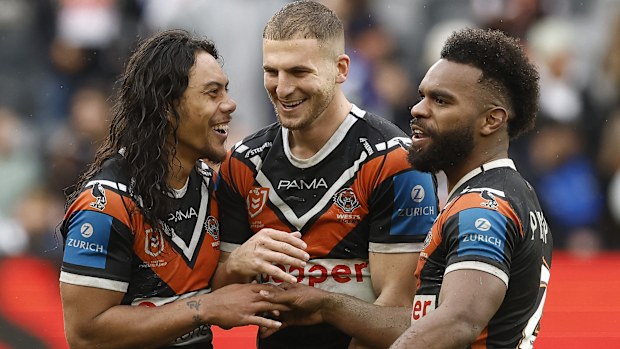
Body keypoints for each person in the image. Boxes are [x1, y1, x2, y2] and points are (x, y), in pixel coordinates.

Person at [264, 27, 554, 349]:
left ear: (491, 120)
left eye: (441, 101)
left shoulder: (482, 207)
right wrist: (327, 304)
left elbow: (459, 319)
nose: (417, 109)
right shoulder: (511, 192)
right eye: (422, 96)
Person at [59, 29, 308, 349]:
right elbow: (85, 334)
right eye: (212, 92)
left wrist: (236, 266)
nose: (230, 105)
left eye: (226, 91)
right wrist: (205, 309)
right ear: (167, 106)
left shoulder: (212, 186)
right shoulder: (106, 205)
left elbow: (205, 293)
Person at [214, 1, 438, 348]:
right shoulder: (243, 164)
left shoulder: (393, 162)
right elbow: (218, 304)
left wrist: (326, 305)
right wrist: (236, 266)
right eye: (271, 71)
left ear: (341, 68)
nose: (283, 88)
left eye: (299, 72)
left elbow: (404, 320)